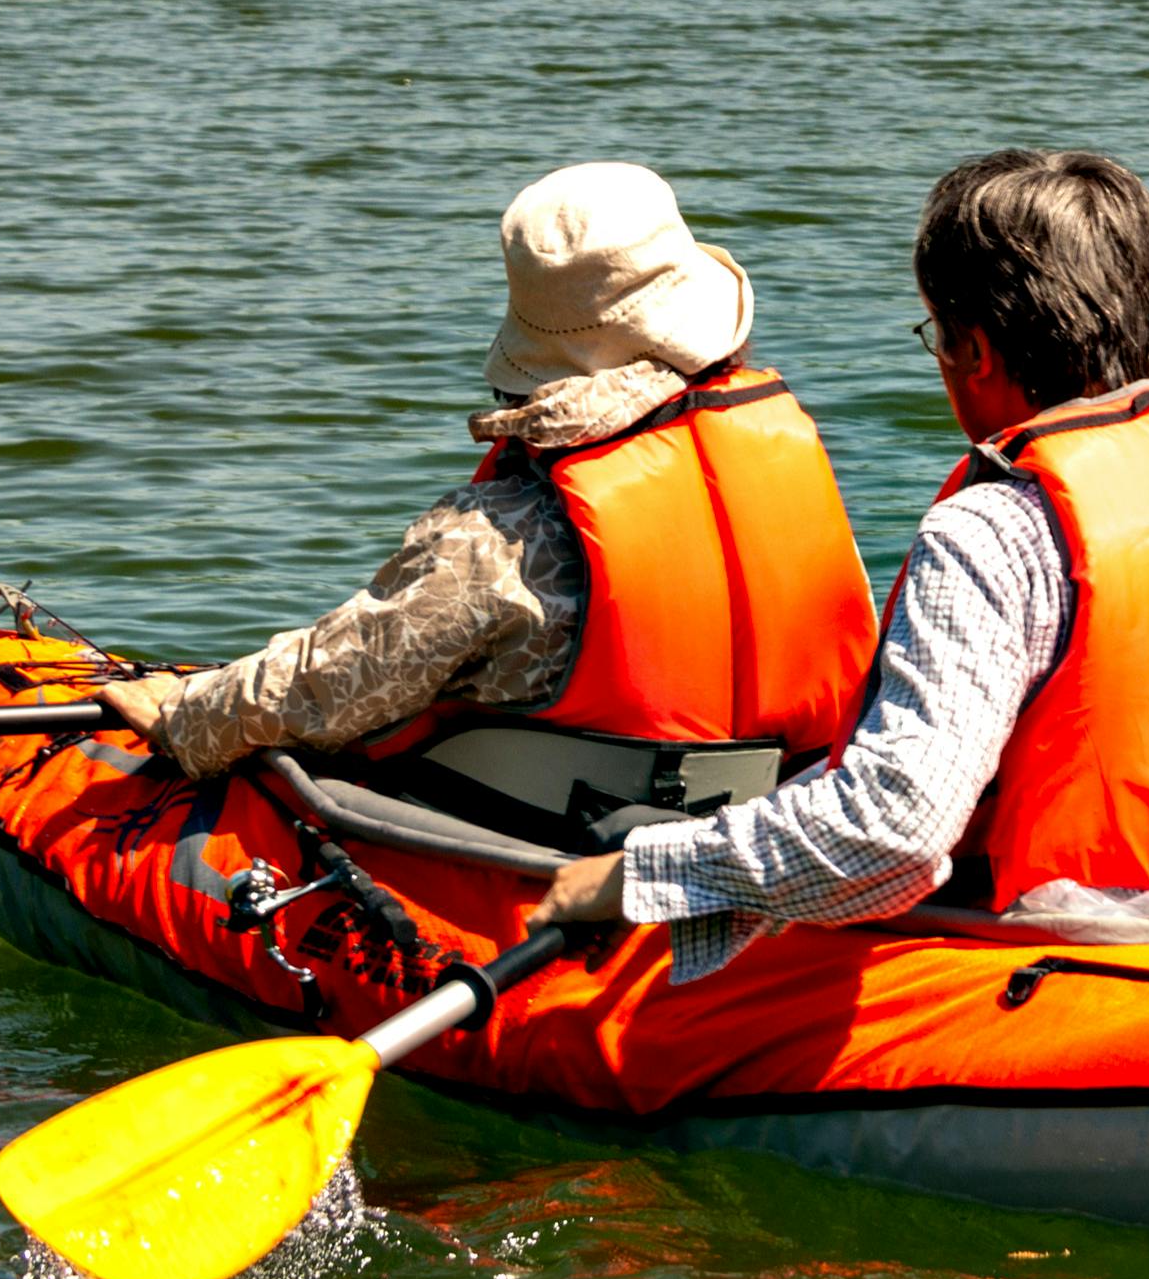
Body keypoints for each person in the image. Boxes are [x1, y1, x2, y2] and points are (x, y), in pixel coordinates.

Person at [543, 149, 1149, 980]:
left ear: (973, 349)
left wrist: (644, 872)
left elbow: (894, 833)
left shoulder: (994, 529)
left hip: (1074, 957)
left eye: (937, 333)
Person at [97, 163, 876, 836]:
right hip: (759, 816)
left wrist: (185, 714)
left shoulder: (502, 538)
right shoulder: (788, 457)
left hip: (538, 842)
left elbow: (333, 683)